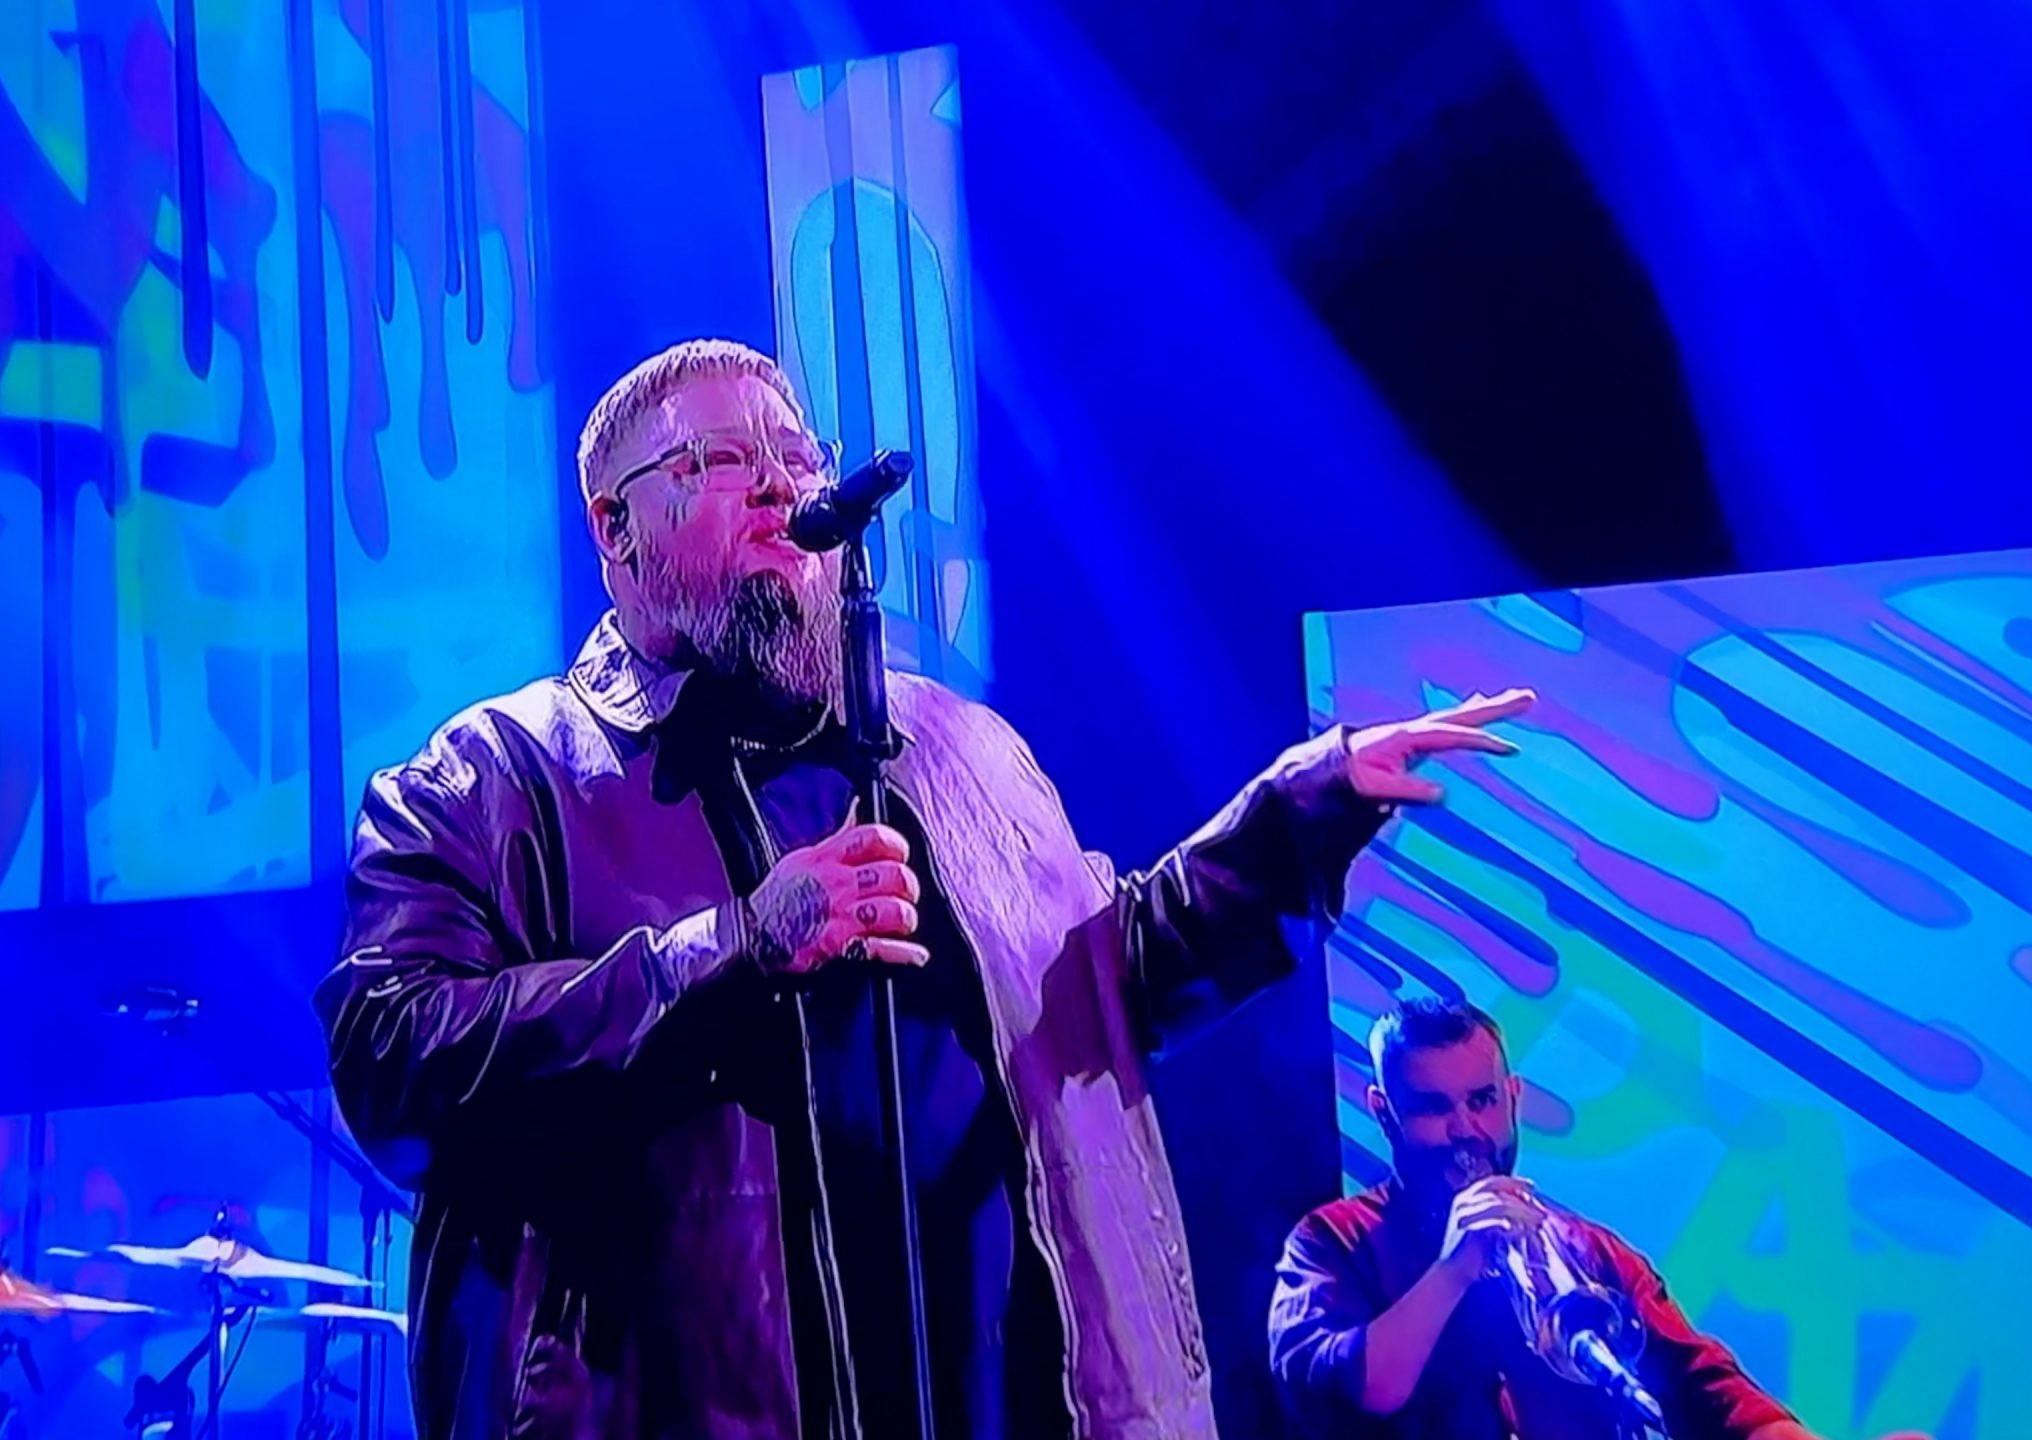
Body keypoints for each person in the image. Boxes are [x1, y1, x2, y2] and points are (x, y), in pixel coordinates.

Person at [318, 337, 1533, 1440]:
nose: (777, 485)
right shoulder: (492, 780)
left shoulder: (961, 749)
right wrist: (735, 949)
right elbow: (391, 1058)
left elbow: (1097, 990)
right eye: (720, 460)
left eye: (796, 455)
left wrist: (1293, 820)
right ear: (614, 529)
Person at [1268, 997, 1929, 1440]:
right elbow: (1349, 1392)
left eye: (1483, 1101)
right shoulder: (1331, 1242)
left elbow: (1706, 1389)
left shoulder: (1588, 1251)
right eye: (1433, 1108)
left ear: (1513, 1099)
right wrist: (1454, 1269)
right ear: (1383, 1113)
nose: (1466, 1130)